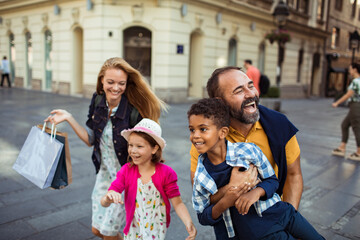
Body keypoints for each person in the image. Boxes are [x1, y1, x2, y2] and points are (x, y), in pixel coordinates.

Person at [45, 57, 167, 240]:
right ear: (102, 80)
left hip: (125, 178)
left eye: (121, 83)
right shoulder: (97, 101)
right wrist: (69, 118)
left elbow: (148, 150)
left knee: (107, 233)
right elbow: (90, 140)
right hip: (103, 174)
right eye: (110, 82)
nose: (116, 88)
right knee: (97, 231)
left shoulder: (133, 111)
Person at [189, 98, 324, 240]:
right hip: (260, 232)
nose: (195, 136)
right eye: (192, 130)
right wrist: (226, 201)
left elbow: (272, 180)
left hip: (283, 213)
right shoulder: (201, 176)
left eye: (203, 129)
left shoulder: (248, 150)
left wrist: (257, 193)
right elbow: (203, 216)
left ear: (223, 132)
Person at [190, 66, 303, 212]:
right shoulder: (207, 138)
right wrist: (232, 188)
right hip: (232, 226)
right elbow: (201, 197)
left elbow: (294, 175)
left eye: (251, 86)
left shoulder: (279, 124)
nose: (251, 94)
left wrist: (289, 220)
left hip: (274, 214)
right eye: (239, 91)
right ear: (220, 102)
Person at [101, 118, 197, 240]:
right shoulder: (126, 170)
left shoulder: (166, 173)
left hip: (156, 229)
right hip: (133, 228)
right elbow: (105, 200)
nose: (133, 150)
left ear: (154, 149)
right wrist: (108, 198)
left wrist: (188, 222)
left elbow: (177, 203)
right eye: (130, 145)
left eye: (139, 146)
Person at [332, 62, 360, 161]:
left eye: (350, 69)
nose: (349, 71)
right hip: (354, 106)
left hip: (356, 106)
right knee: (344, 125)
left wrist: (337, 103)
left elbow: (348, 95)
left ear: (355, 69)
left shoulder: (356, 81)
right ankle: (342, 147)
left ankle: (359, 152)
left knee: (356, 128)